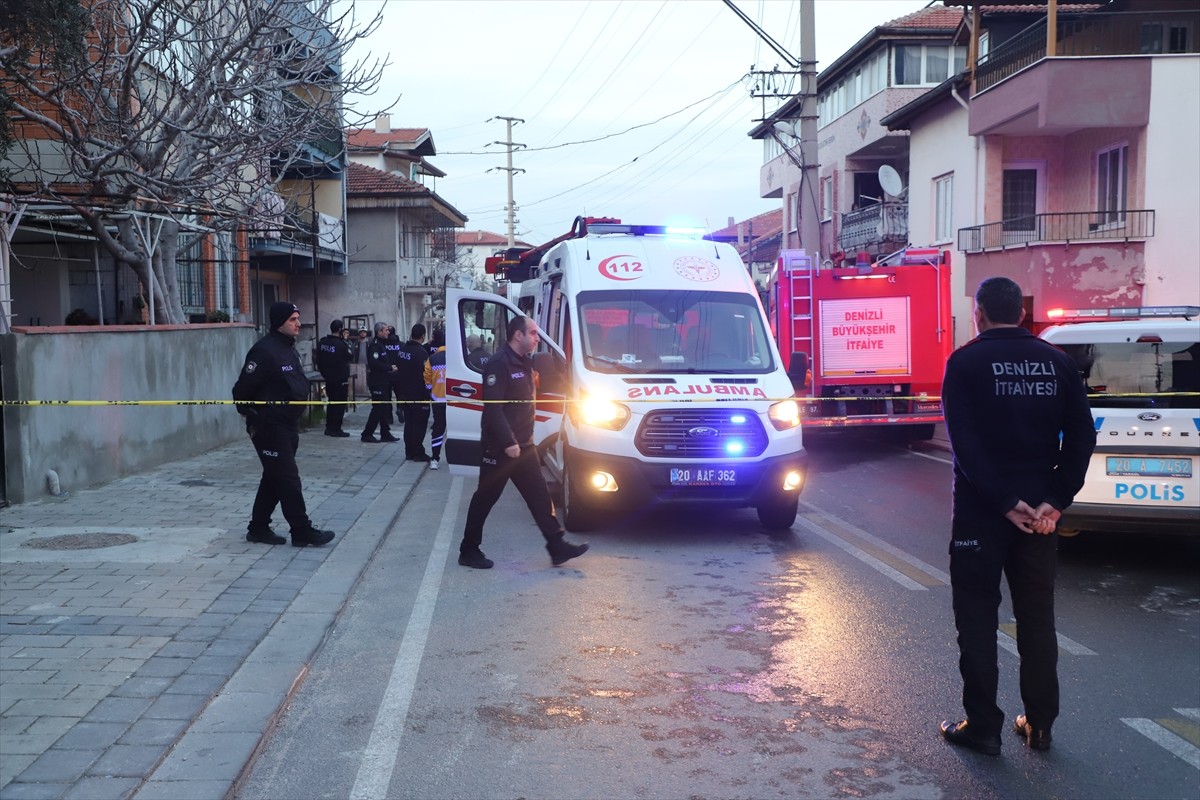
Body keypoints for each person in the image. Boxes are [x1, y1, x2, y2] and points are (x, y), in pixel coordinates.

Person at [939, 276, 1095, 756]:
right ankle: (1040, 725)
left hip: (981, 514)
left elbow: (966, 445)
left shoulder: (964, 363)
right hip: (1040, 517)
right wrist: (1057, 499)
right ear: (1023, 314)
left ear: (979, 314)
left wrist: (1005, 502)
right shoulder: (1058, 362)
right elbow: (1082, 436)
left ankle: (983, 727)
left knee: (977, 617)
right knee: (1036, 618)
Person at [458, 315, 589, 569]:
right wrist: (508, 441)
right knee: (485, 498)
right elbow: (493, 408)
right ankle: (468, 550)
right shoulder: (499, 364)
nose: (537, 338)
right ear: (518, 335)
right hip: (500, 448)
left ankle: (557, 546)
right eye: (533, 333)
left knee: (540, 496)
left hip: (524, 447)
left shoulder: (525, 362)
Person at [231, 301, 336, 548]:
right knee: (288, 478)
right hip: (269, 425)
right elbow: (241, 390)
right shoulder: (264, 351)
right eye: (292, 319)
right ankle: (301, 530)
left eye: (298, 318)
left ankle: (258, 527)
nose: (298, 323)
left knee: (274, 476)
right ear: (280, 322)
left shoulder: (288, 348)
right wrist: (254, 414)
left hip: (288, 424)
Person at [396, 323, 432, 462]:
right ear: (423, 336)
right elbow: (424, 375)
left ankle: (409, 451)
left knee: (409, 423)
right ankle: (417, 452)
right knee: (419, 424)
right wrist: (427, 394)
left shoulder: (403, 349)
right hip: (418, 394)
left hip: (404, 392)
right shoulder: (421, 353)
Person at [362, 321, 400, 444]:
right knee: (378, 408)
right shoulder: (375, 345)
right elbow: (374, 363)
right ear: (379, 332)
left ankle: (385, 433)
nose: (388, 332)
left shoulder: (382, 344)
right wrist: (389, 368)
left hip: (384, 381)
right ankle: (367, 433)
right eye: (386, 330)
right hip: (377, 382)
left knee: (384, 408)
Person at [316, 318, 354, 437]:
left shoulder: (322, 343)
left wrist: (324, 373)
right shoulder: (341, 344)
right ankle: (336, 429)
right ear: (340, 330)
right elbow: (350, 356)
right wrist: (345, 341)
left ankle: (329, 427)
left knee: (331, 402)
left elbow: (318, 360)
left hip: (328, 378)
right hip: (340, 378)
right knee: (340, 404)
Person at [423, 326, 447, 470]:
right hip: (456, 400)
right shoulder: (456, 359)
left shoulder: (432, 359)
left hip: (438, 400)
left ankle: (435, 459)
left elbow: (426, 377)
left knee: (438, 429)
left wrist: (430, 390)